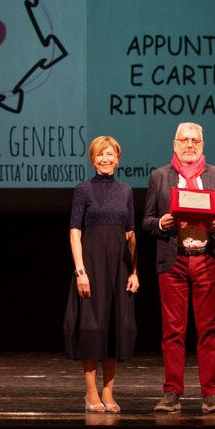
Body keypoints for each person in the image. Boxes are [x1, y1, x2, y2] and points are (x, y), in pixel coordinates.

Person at [143, 122, 215, 413]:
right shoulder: (159, 176)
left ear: (202, 145)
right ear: (175, 144)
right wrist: (161, 223)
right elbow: (147, 220)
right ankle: (172, 392)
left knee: (209, 330)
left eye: (195, 140)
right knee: (173, 331)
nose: (189, 145)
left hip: (207, 258)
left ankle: (211, 394)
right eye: (184, 140)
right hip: (174, 260)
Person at [64, 136, 138, 413]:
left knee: (115, 328)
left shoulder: (125, 191)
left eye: (110, 154)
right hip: (92, 267)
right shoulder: (83, 189)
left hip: (118, 268)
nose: (105, 159)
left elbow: (131, 235)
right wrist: (80, 271)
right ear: (93, 159)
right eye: (100, 155)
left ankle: (108, 391)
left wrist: (135, 271)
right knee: (91, 327)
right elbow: (74, 233)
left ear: (117, 158)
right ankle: (91, 392)